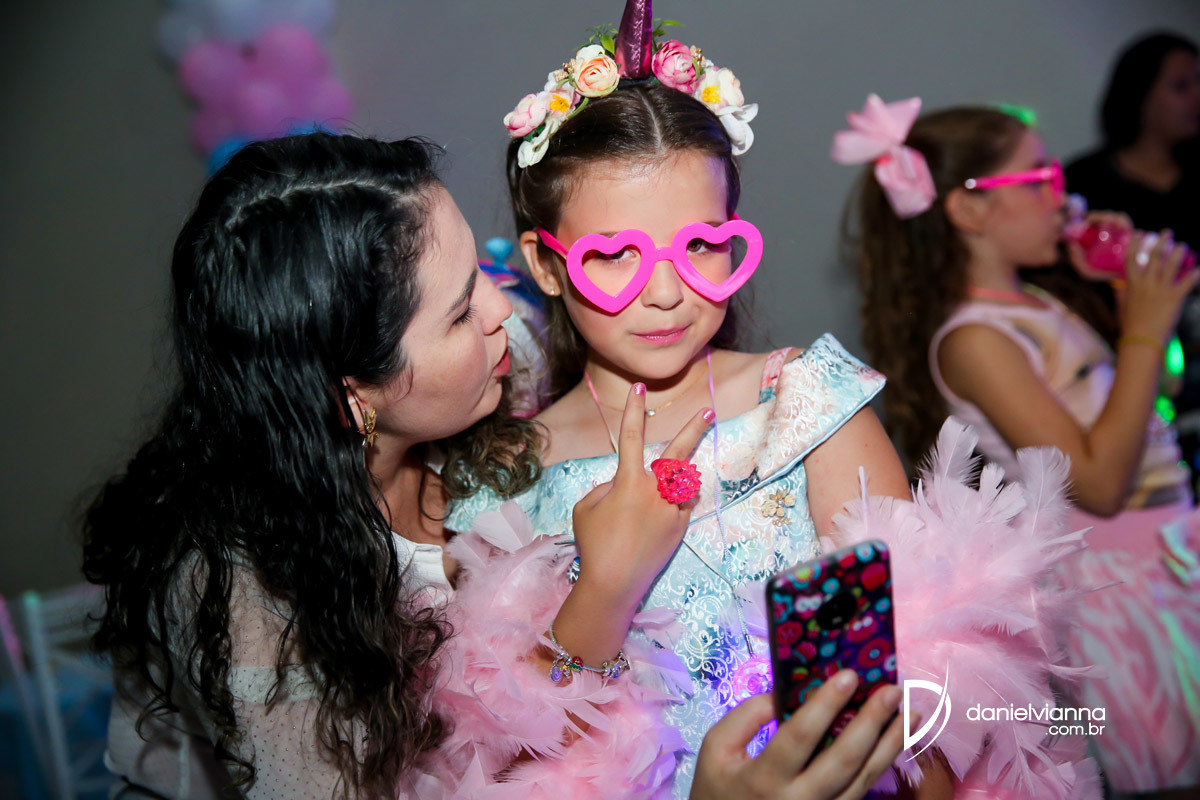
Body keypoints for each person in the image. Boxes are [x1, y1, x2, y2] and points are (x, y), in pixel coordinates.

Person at [84, 131, 904, 799]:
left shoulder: (510, 365)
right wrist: (607, 587)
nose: (506, 310)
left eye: (481, 268)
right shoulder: (250, 595)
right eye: (457, 313)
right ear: (351, 395)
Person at [446, 8, 1098, 797]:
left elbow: (932, 697)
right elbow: (510, 761)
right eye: (614, 255)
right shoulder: (503, 480)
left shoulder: (806, 406)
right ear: (546, 266)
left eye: (701, 245)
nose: (666, 292)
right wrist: (604, 590)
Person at [840, 93, 1200, 797]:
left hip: (1169, 559)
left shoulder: (1042, 301)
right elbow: (1098, 482)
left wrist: (1126, 294)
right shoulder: (975, 337)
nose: (1063, 196)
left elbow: (1157, 398)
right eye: (1040, 179)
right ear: (970, 209)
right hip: (1118, 595)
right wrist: (1145, 327)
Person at [1065, 31, 1200, 471]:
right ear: (1140, 93)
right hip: (1133, 362)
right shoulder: (1087, 182)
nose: (1196, 97)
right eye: (1180, 86)